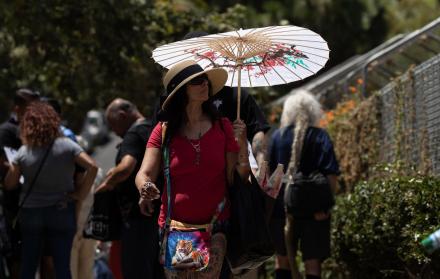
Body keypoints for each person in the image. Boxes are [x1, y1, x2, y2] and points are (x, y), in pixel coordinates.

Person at [135, 60, 250, 278]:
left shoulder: (223, 126)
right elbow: (144, 173)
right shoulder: (164, 130)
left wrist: (242, 144)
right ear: (181, 91)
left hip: (217, 225)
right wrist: (145, 186)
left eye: (205, 80)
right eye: (197, 81)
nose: (205, 84)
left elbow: (238, 177)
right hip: (180, 229)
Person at [4, 101, 98, 279]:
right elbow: (92, 166)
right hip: (61, 210)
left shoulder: (24, 151)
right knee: (63, 266)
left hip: (31, 213)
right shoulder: (68, 146)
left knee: (29, 265)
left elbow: (10, 184)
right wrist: (81, 194)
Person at [268, 90, 340, 279]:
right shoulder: (320, 136)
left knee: (282, 259)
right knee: (312, 263)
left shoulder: (278, 137)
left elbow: (271, 176)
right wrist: (326, 206)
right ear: (313, 111)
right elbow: (331, 175)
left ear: (288, 112)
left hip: (281, 209)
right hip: (314, 211)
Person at [96, 98, 161, 279]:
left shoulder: (132, 134)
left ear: (123, 116)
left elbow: (126, 167)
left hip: (137, 218)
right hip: (158, 216)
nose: (114, 132)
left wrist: (106, 184)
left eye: (112, 124)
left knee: (135, 270)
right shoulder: (154, 129)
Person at [0, 88, 40, 279]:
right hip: (14, 205)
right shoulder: (6, 131)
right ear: (17, 108)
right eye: (30, 107)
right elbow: (6, 164)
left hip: (37, 202)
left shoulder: (39, 130)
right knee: (16, 258)